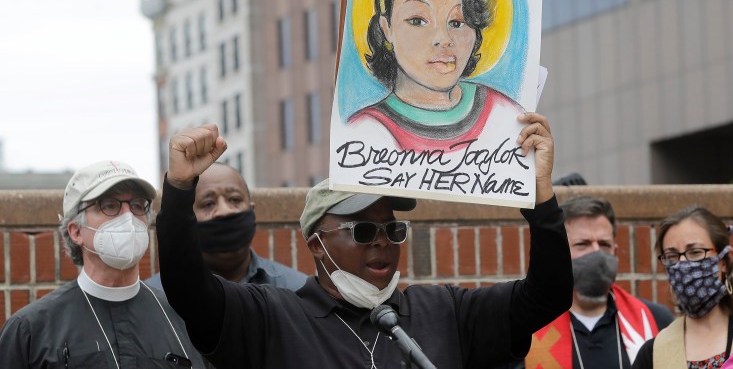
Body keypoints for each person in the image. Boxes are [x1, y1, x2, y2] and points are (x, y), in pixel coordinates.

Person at [155, 113, 572, 368]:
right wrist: (178, 190)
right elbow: (188, 290)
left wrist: (540, 200)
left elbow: (548, 296)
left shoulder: (444, 311)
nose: (383, 243)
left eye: (393, 229)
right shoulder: (270, 316)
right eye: (363, 230)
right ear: (317, 243)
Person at [0, 160, 208, 368]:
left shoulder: (183, 318)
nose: (128, 217)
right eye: (109, 206)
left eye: (137, 206)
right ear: (76, 231)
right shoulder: (31, 330)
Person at [350, 0, 525, 152]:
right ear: (387, 29)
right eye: (418, 21)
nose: (444, 38)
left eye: (457, 22)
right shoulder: (364, 135)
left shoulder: (505, 116)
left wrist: (540, 181)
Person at [517, 197, 674, 369]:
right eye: (582, 244)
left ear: (615, 251)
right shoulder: (527, 330)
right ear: (559, 253)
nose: (597, 253)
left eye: (604, 244)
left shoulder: (655, 320)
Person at [145, 162, 307, 291]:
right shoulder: (157, 298)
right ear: (187, 220)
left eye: (234, 200)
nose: (224, 211)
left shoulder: (297, 290)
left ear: (252, 210)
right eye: (208, 203)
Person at [632, 206, 733, 369]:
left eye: (695, 252)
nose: (683, 264)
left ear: (724, 261)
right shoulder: (653, 353)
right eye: (672, 256)